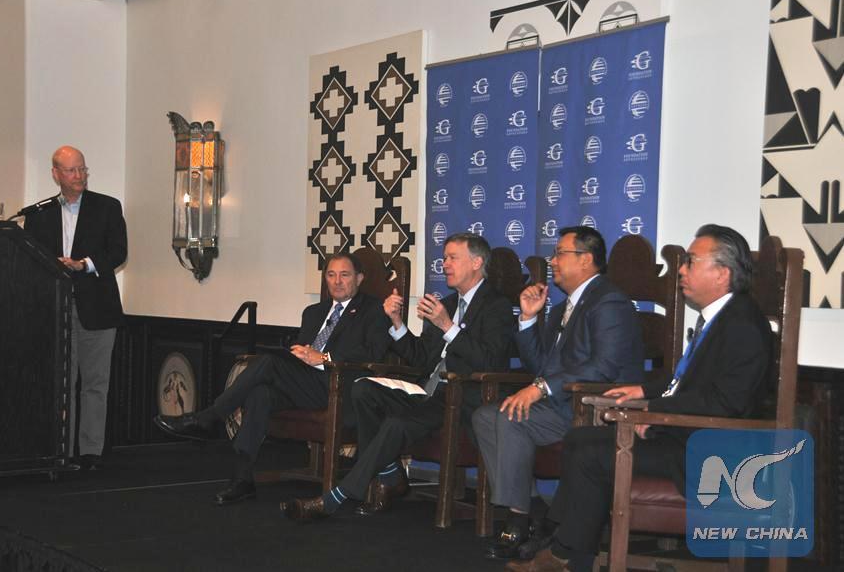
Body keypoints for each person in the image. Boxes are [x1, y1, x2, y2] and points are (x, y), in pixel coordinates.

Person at [507, 224, 772, 572]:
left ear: (722, 273)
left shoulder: (741, 325)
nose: (681, 269)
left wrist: (653, 413)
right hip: (688, 436)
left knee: (590, 452)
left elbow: (725, 404)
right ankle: (565, 547)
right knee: (581, 439)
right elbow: (689, 382)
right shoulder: (724, 317)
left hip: (710, 454)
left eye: (691, 261)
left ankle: (564, 551)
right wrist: (645, 390)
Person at [281, 232, 515, 521]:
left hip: (460, 397)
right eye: (444, 258)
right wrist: (396, 322)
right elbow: (421, 359)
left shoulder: (496, 306)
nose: (444, 264)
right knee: (363, 388)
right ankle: (390, 473)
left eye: (452, 258)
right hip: (426, 391)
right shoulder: (448, 304)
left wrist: (447, 326)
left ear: (477, 262)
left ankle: (338, 496)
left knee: (395, 424)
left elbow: (491, 361)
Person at [154, 253, 391, 505]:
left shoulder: (374, 310)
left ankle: (209, 417)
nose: (337, 281)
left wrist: (323, 357)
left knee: (267, 363)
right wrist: (300, 354)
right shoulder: (314, 312)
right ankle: (242, 479)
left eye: (344, 275)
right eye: (331, 275)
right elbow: (303, 351)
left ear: (359, 278)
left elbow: (372, 354)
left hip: (338, 386)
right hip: (304, 383)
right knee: (261, 394)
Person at [473, 226, 643, 560]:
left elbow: (604, 367)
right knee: (484, 417)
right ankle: (533, 507)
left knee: (510, 418)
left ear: (586, 259)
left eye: (560, 254)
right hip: (561, 404)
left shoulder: (608, 302)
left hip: (595, 410)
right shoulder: (565, 306)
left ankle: (518, 521)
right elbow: (540, 365)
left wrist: (540, 388)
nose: (552, 261)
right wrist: (527, 319)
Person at [23, 145, 128, 471]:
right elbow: (29, 259)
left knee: (95, 384)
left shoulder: (107, 207)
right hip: (55, 308)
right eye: (71, 170)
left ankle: (90, 452)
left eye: (82, 169)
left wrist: (84, 264)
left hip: (98, 307)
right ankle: (61, 449)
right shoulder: (38, 214)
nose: (79, 176)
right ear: (56, 174)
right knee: (61, 383)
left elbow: (118, 252)